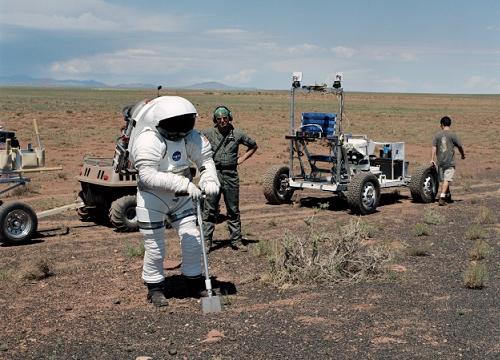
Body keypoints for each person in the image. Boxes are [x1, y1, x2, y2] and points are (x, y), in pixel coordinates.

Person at [129, 96, 220, 307]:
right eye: (175, 124)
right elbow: (148, 176)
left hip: (181, 198)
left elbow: (205, 161)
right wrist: (184, 184)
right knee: (155, 246)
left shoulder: (191, 137)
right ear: (160, 122)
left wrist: (209, 179)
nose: (179, 130)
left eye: (184, 123)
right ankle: (155, 288)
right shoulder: (149, 139)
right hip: (153, 198)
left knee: (193, 240)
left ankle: (194, 281)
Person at [202, 105, 258, 250]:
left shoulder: (238, 134)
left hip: (231, 175)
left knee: (233, 209)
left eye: (225, 118)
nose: (222, 121)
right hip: (213, 174)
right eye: (219, 119)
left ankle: (236, 241)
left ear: (229, 118)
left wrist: (241, 159)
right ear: (215, 120)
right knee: (209, 210)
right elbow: (195, 145)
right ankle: (206, 242)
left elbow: (253, 145)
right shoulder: (207, 133)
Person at [430, 116, 465, 206]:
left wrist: (432, 159)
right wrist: (462, 155)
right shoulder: (453, 135)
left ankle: (447, 195)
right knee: (447, 179)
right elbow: (460, 146)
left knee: (444, 180)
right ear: (449, 124)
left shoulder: (437, 135)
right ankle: (442, 198)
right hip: (450, 162)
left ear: (442, 124)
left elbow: (434, 147)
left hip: (440, 161)